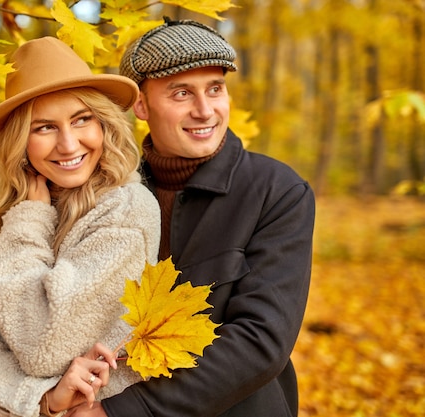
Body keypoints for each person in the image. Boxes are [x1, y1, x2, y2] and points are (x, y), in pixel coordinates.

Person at [65, 18, 316, 417]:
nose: (205, 111)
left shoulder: (276, 192)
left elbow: (260, 340)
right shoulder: (101, 191)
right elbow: (28, 294)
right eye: (181, 93)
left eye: (215, 89)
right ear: (141, 105)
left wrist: (127, 412)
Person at [0, 36, 160, 417]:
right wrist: (36, 400)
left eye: (81, 120)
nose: (68, 143)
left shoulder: (126, 210)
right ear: (18, 142)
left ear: (103, 124)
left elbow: (43, 345)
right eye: (44, 128)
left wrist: (29, 220)